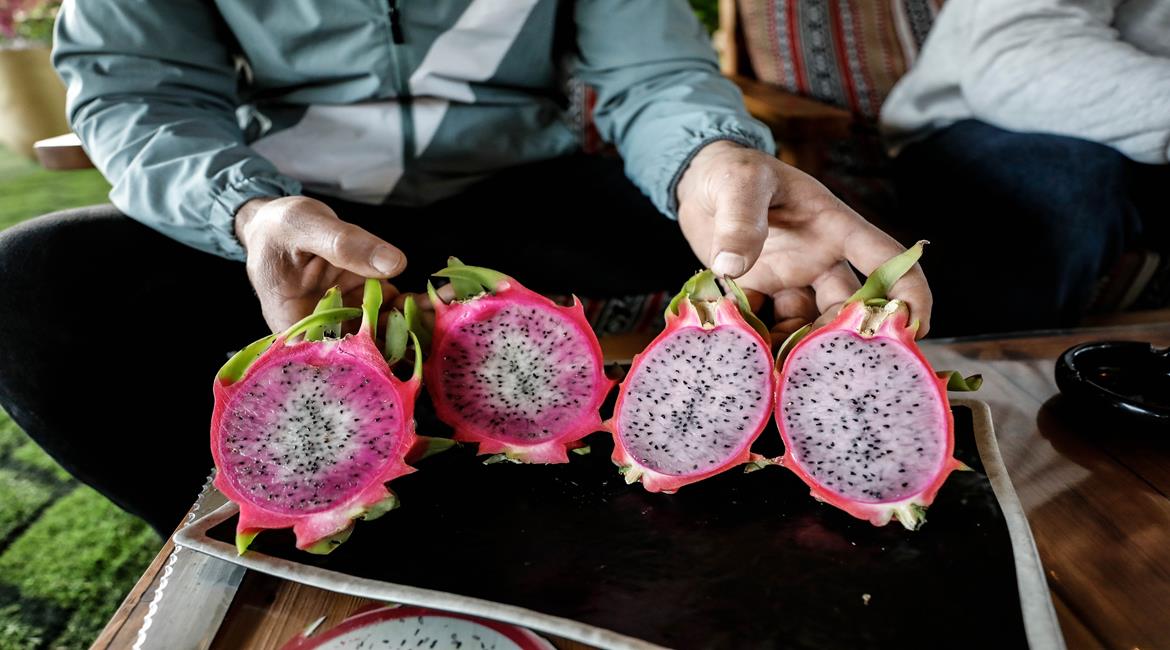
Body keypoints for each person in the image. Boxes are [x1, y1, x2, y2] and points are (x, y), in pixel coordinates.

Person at [0, 0, 930, 534]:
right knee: (29, 285)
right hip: (299, 213)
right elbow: (141, 94)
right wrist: (244, 210)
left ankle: (620, 520)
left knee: (770, 237)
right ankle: (285, 531)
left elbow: (655, 75)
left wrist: (708, 161)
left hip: (526, 191)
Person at [881, 0, 1169, 336]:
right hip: (976, 121)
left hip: (1147, 149)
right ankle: (982, 354)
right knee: (1063, 183)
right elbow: (1017, 63)